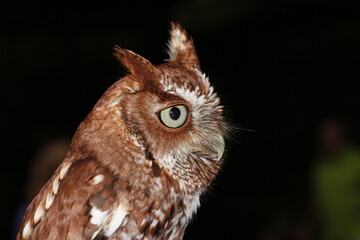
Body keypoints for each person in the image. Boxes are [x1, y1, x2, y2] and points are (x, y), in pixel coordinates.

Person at [312, 117, 360, 240]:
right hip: (330, 233)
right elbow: (317, 203)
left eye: (331, 131)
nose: (327, 136)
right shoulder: (320, 167)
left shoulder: (356, 160)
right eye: (324, 132)